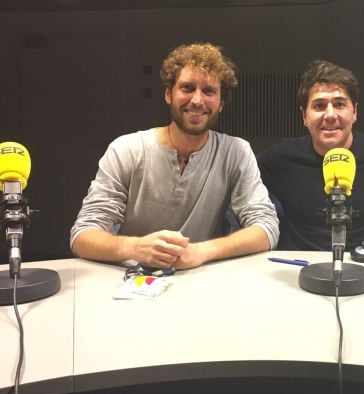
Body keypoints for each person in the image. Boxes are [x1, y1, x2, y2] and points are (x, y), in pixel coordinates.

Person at [70, 42, 279, 269]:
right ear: (169, 94)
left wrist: (202, 251)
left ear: (220, 103)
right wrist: (136, 248)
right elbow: (82, 236)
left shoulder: (236, 152)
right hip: (132, 281)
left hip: (202, 277)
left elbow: (267, 227)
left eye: (209, 91)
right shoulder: (126, 149)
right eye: (188, 88)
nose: (197, 100)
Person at [257, 59, 364, 252]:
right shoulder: (281, 158)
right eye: (319, 106)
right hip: (300, 270)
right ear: (304, 116)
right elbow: (238, 183)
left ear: (354, 112)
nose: (330, 115)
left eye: (339, 104)